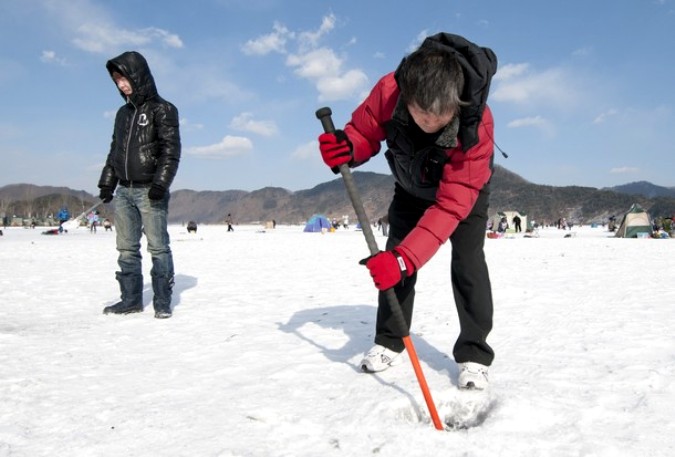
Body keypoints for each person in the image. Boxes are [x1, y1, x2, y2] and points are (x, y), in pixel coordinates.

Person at [318, 33, 497, 390]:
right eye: (419, 113)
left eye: (439, 116)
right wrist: (347, 147)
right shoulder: (390, 89)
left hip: (463, 195)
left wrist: (407, 258)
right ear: (407, 94)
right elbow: (365, 131)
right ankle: (388, 340)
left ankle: (474, 354)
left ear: (457, 101)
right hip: (410, 186)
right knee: (392, 264)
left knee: (468, 263)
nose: (428, 122)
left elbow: (451, 202)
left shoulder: (478, 122)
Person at [97, 51, 181, 319]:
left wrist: (160, 183)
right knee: (126, 248)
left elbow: (171, 151)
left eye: (124, 77)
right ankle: (130, 300)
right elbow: (115, 151)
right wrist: (107, 182)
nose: (121, 84)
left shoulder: (163, 109)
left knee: (158, 246)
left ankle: (162, 301)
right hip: (124, 191)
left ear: (138, 75)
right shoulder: (122, 114)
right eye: (116, 80)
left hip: (149, 191)